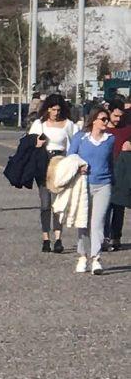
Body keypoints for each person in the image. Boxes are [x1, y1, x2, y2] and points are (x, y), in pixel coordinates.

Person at [67, 107, 115, 275]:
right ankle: (82, 256)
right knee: (83, 222)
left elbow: (111, 161)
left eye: (107, 120)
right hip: (84, 185)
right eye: (103, 119)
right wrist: (79, 167)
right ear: (94, 120)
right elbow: (70, 157)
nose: (106, 122)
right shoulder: (80, 138)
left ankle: (96, 258)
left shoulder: (110, 139)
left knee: (98, 223)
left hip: (104, 185)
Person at [28, 95, 77, 253]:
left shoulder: (68, 125)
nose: (56, 112)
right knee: (45, 203)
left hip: (60, 163)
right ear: (47, 109)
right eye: (53, 109)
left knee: (58, 204)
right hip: (43, 162)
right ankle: (45, 238)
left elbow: (75, 143)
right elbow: (29, 141)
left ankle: (58, 238)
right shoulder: (39, 124)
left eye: (58, 109)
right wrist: (36, 143)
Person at [103, 102, 131, 251]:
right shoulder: (103, 128)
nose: (118, 119)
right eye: (115, 116)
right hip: (105, 168)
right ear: (108, 112)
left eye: (121, 116)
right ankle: (104, 236)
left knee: (119, 205)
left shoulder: (127, 129)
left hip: (122, 170)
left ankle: (116, 237)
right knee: (105, 206)